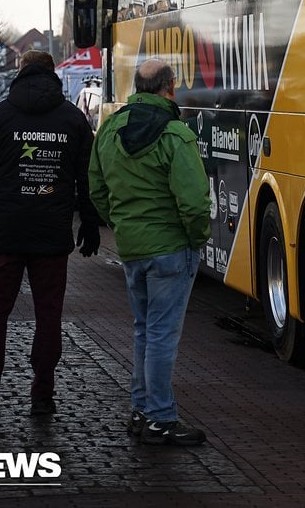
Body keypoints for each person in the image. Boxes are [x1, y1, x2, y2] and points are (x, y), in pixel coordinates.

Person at [0, 50, 101, 420]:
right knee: (49, 316)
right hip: (51, 235)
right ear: (53, 73)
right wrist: (89, 223)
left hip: (6, 232)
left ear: (20, 71)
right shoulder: (73, 119)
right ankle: (42, 394)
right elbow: (88, 178)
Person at [88, 59, 210, 446]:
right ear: (170, 88)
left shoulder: (109, 130)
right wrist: (196, 238)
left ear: (137, 88)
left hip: (132, 247)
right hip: (172, 248)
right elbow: (193, 202)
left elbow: (97, 189)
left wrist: (122, 224)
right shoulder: (175, 134)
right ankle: (160, 418)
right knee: (161, 335)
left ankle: (142, 410)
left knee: (144, 331)